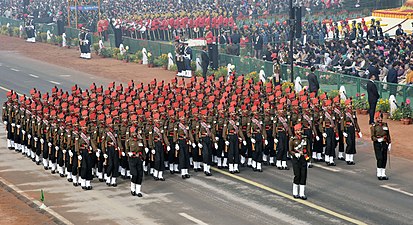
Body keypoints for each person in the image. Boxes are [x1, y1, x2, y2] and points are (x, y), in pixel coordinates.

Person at [289, 123, 309, 200]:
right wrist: (295, 154)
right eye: (298, 130)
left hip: (303, 158)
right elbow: (290, 150)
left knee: (303, 176)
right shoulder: (292, 139)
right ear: (295, 131)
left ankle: (302, 193)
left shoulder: (305, 138)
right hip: (296, 159)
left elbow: (308, 149)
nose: (299, 132)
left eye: (300, 130)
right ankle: (295, 192)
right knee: (297, 175)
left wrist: (308, 159)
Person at [370, 112, 391, 180]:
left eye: (381, 117)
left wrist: (389, 143)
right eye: (379, 118)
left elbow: (388, 134)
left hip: (384, 142)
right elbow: (372, 137)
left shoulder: (385, 125)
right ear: (376, 118)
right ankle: (379, 173)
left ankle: (383, 173)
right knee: (379, 158)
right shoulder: (374, 126)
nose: (380, 119)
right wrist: (377, 140)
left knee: (384, 158)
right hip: (377, 143)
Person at [126, 126, 145, 197]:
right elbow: (126, 149)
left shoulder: (140, 140)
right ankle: (132, 189)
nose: (134, 134)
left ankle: (138, 191)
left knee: (140, 175)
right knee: (134, 174)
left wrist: (144, 158)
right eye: (133, 132)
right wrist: (129, 153)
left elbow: (142, 150)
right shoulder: (128, 141)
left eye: (135, 132)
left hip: (139, 158)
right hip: (132, 159)